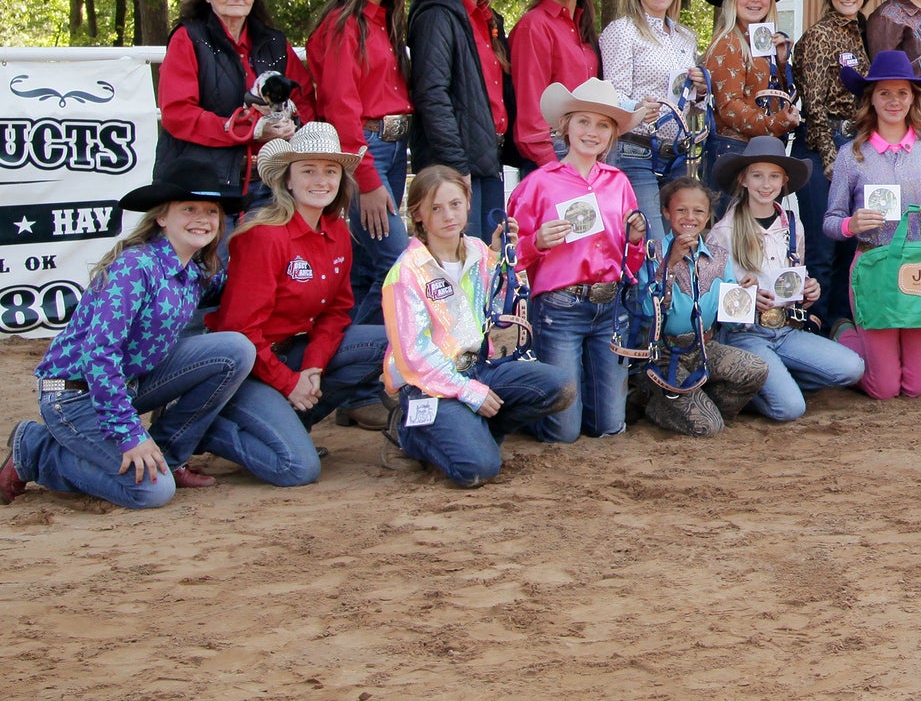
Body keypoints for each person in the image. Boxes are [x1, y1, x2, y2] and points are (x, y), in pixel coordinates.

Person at [1, 164, 254, 509]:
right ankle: (36, 450)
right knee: (151, 491)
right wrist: (128, 434)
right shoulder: (136, 267)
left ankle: (168, 455)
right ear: (162, 218)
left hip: (128, 384)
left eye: (211, 211)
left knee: (234, 350)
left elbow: (238, 289)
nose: (203, 218)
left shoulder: (193, 271)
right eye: (189, 209)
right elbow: (99, 354)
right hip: (75, 395)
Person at [202, 126, 390, 486]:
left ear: (341, 179)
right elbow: (240, 331)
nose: (321, 180)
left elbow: (337, 313)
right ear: (287, 180)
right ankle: (209, 428)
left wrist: (314, 368)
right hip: (249, 367)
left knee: (386, 341)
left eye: (330, 171)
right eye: (308, 170)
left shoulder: (337, 232)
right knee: (299, 468)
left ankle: (290, 422)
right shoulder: (264, 236)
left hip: (292, 356)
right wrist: (289, 383)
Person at [378, 166, 575, 485]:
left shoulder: (478, 252)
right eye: (435, 208)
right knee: (478, 468)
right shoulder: (406, 273)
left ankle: (471, 430)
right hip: (430, 383)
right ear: (417, 215)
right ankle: (410, 435)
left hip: (478, 367)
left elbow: (494, 309)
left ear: (468, 203)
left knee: (559, 386)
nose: (447, 216)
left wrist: (499, 256)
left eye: (455, 204)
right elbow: (414, 356)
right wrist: (467, 391)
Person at [823, 49, 921, 400]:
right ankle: (844, 335)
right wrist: (851, 225)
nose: (894, 101)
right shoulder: (851, 155)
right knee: (884, 389)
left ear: (913, 99)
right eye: (884, 93)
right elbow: (830, 222)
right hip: (873, 266)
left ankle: (876, 348)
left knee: (918, 387)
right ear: (870, 100)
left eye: (902, 93)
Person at [508, 78, 649, 442]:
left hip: (609, 306)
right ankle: (520, 407)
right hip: (560, 309)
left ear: (613, 135)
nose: (592, 131)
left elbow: (630, 263)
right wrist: (536, 241)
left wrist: (634, 240)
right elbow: (509, 257)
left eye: (603, 125)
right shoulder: (538, 185)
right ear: (565, 127)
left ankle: (584, 400)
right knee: (563, 433)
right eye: (583, 121)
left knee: (609, 427)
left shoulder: (619, 183)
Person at [306, 0, 420, 332]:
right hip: (364, 150)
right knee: (397, 262)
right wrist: (365, 179)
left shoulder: (386, 22)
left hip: (391, 147)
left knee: (368, 268)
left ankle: (351, 375)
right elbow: (339, 109)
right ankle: (352, 365)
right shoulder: (343, 26)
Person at [699, 139, 864, 419]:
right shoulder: (724, 231)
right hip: (745, 334)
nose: (766, 184)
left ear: (784, 180)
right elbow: (708, 294)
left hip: (786, 329)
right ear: (744, 179)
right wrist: (746, 298)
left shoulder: (792, 224)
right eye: (757, 176)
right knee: (790, 409)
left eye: (774, 176)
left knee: (853, 368)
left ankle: (776, 380)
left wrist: (808, 289)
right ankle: (749, 387)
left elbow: (795, 273)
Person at [155, 0, 308, 202]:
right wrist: (251, 129)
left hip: (271, 182)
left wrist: (292, 126)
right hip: (204, 182)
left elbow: (304, 99)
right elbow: (178, 114)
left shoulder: (275, 43)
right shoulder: (187, 39)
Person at [794, 0, 885, 330]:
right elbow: (812, 103)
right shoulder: (820, 35)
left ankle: (844, 323)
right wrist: (830, 156)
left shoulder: (861, 34)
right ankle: (816, 324)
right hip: (822, 144)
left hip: (855, 142)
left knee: (854, 239)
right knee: (823, 242)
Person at [409, 0, 515, 240]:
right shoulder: (437, 16)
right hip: (454, 164)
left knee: (488, 256)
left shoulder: (489, 20)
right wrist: (457, 167)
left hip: (487, 158)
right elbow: (432, 93)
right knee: (457, 258)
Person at [641, 177, 773, 434]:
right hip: (665, 353)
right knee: (707, 428)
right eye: (681, 210)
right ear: (667, 212)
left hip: (704, 346)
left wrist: (745, 291)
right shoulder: (652, 253)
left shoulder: (719, 257)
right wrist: (670, 263)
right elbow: (648, 309)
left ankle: (699, 403)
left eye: (699, 211)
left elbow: (732, 315)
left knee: (756, 369)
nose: (689, 217)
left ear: (708, 215)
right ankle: (655, 403)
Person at [600, 0, 700, 243]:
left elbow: (689, 102)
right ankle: (647, 292)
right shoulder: (622, 31)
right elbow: (611, 95)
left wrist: (701, 89)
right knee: (651, 242)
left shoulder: (685, 38)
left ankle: (670, 292)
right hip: (636, 150)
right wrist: (636, 106)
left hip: (678, 155)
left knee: (679, 241)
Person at [696, 0, 801, 197]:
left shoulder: (763, 43)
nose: (755, 0)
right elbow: (730, 107)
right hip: (735, 152)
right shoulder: (728, 43)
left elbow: (774, 96)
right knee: (734, 230)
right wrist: (775, 123)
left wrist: (783, 61)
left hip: (758, 151)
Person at [509, 0, 610, 168]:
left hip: (586, 148)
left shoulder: (585, 31)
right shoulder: (534, 25)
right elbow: (530, 105)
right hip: (552, 152)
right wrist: (551, 165)